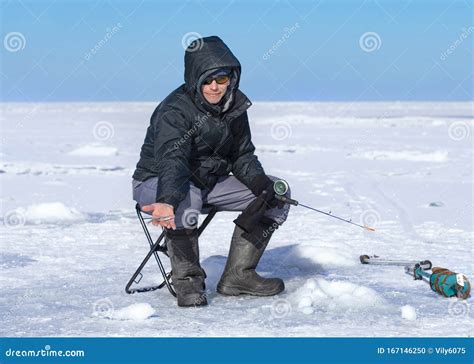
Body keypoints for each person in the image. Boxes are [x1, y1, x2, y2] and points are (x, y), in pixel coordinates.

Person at [132, 36, 291, 307]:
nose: (215, 87)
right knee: (186, 195)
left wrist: (260, 184)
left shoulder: (234, 107)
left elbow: (241, 155)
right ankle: (188, 282)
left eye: (222, 79)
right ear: (195, 79)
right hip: (157, 183)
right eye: (207, 80)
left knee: (276, 194)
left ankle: (238, 276)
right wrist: (167, 200)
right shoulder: (175, 111)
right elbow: (174, 160)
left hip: (207, 182)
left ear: (232, 78)